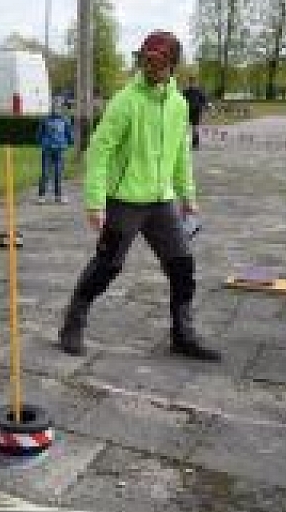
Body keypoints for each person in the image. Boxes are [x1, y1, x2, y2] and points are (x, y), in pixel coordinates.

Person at [58, 30, 221, 362]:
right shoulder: (125, 101)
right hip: (124, 201)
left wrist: (187, 195)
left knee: (183, 266)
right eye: (146, 60)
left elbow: (180, 154)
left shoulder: (178, 104)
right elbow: (99, 151)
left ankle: (183, 335)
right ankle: (72, 324)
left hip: (162, 201)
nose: (150, 67)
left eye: (158, 62)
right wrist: (94, 202)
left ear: (172, 66)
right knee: (107, 266)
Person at [37, 102, 74, 203]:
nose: (56, 109)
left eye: (58, 108)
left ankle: (59, 195)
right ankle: (41, 196)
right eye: (54, 107)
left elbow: (69, 133)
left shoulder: (65, 120)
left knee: (58, 173)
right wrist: (42, 143)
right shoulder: (45, 120)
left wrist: (70, 142)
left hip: (60, 150)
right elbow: (40, 134)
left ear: (61, 109)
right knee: (45, 172)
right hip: (47, 150)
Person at [182, 76, 211, 150]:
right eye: (190, 82)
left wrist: (206, 105)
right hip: (187, 111)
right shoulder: (186, 91)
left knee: (195, 127)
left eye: (193, 82)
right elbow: (181, 99)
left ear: (195, 83)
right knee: (186, 126)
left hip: (196, 111)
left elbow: (204, 99)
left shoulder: (198, 91)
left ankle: (195, 142)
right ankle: (186, 142)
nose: (192, 84)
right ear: (189, 83)